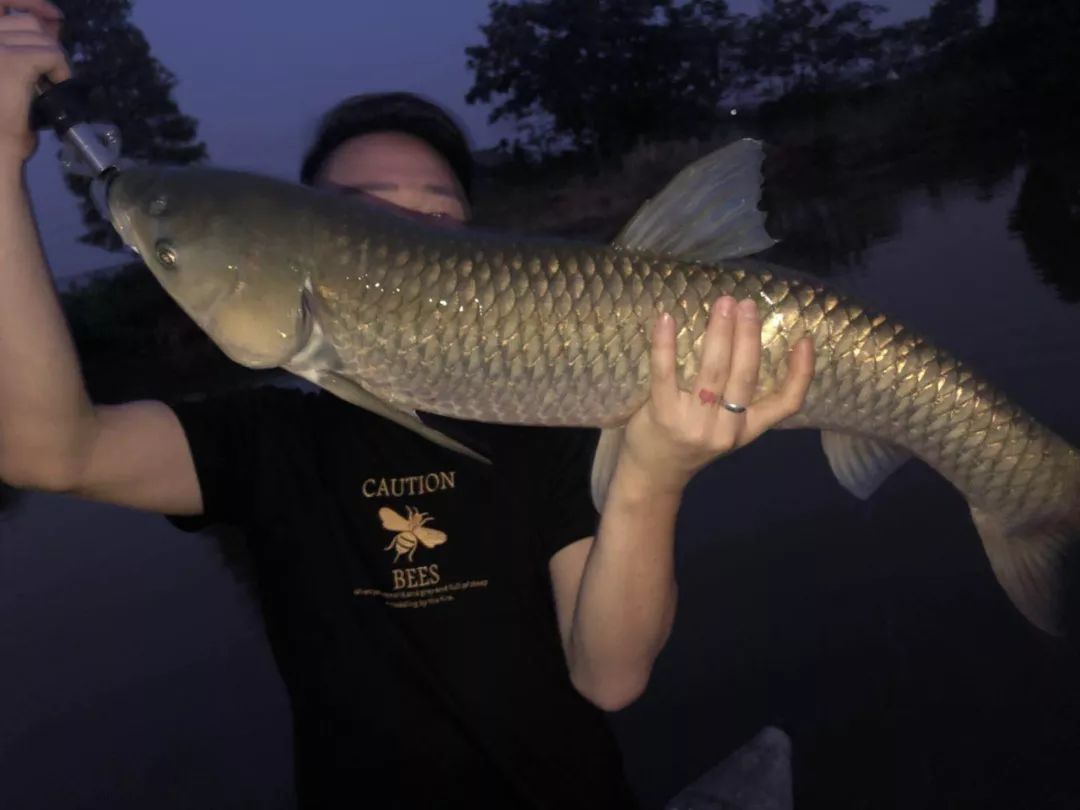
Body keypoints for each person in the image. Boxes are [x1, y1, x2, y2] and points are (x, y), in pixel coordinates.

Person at [0, 2, 815, 807]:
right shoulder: (265, 441)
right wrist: (2, 148)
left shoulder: (554, 415)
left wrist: (654, 473)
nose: (398, 227)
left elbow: (609, 677)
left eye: (435, 213)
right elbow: (49, 451)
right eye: (359, 212)